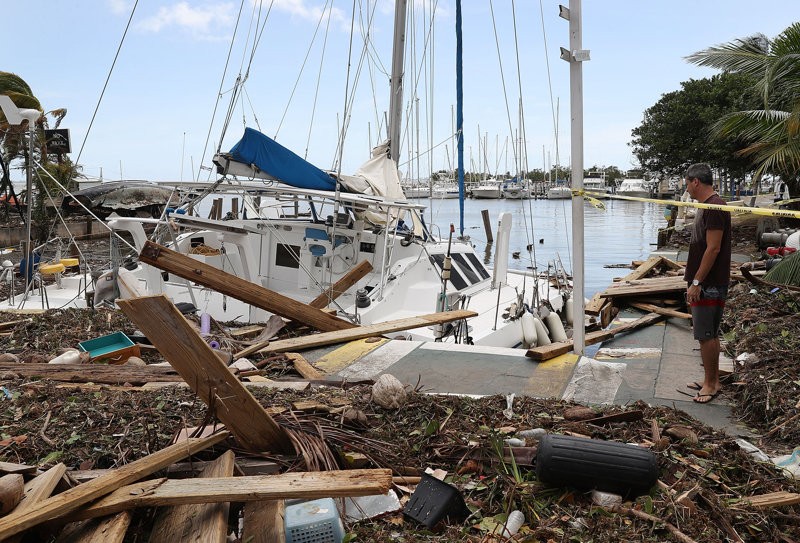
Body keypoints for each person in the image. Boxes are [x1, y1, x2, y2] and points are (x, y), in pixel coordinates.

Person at [683, 163, 731, 403]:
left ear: (695, 182)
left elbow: (713, 248)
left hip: (709, 283)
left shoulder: (714, 207)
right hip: (707, 281)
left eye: (687, 184)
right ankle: (709, 379)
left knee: (706, 334)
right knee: (707, 333)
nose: (687, 189)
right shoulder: (709, 205)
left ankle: (711, 385)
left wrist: (697, 281)